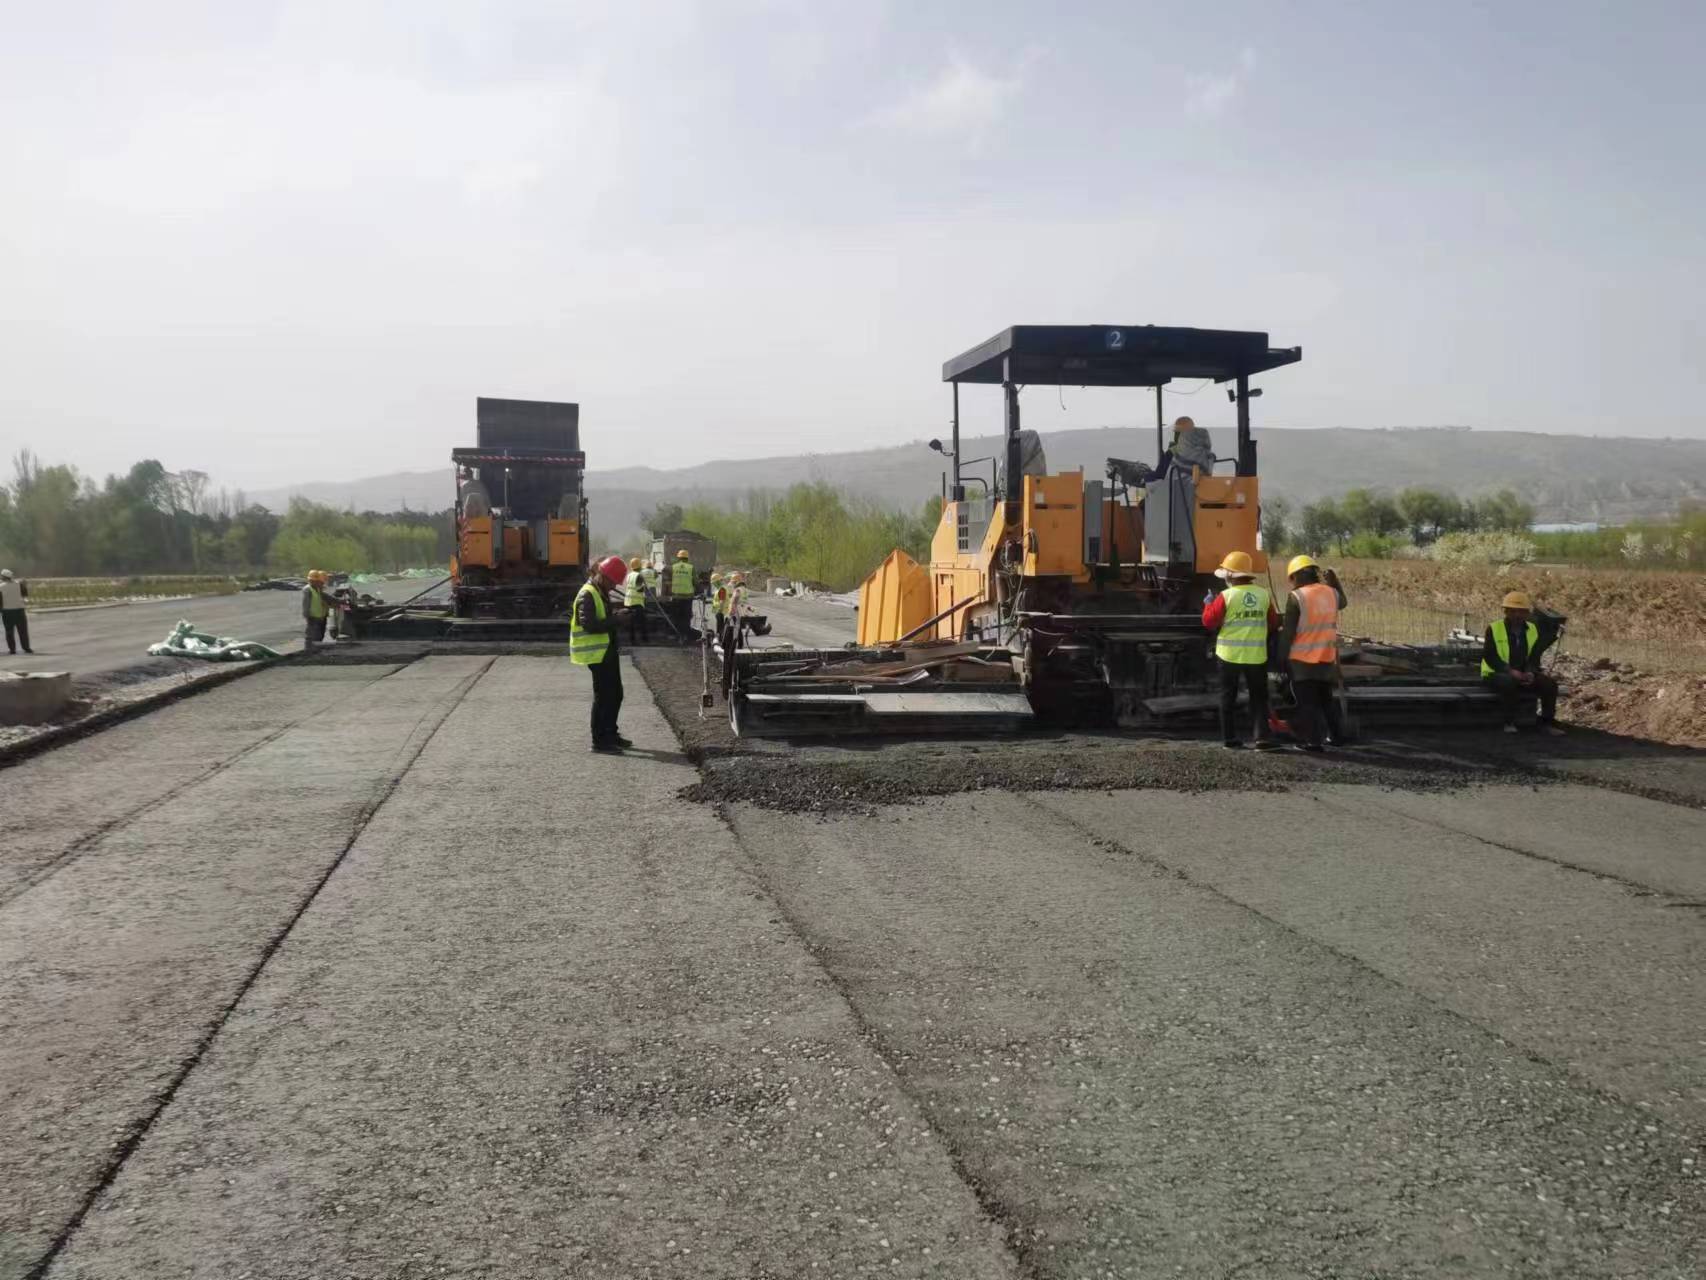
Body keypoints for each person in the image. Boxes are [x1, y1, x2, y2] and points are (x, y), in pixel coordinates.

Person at [1201, 551, 1278, 749]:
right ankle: (1262, 738)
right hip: (1256, 656)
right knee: (1259, 698)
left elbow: (1209, 622)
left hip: (1228, 656)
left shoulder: (1226, 596)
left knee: (1228, 697)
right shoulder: (1263, 595)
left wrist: (1208, 604)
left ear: (1230, 575)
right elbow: (1273, 623)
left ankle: (1230, 739)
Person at [1280, 554, 1348, 751]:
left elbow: (1289, 632)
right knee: (1326, 700)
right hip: (1326, 657)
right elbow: (1343, 602)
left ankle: (1312, 742)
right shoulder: (1331, 593)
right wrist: (1335, 582)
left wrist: (1281, 657)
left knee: (1307, 703)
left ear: (1295, 576)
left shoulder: (1297, 597)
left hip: (1302, 660)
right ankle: (1336, 737)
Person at [572, 554, 633, 753]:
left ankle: (610, 733)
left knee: (615, 694)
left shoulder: (600, 591)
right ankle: (600, 741)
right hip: (596, 654)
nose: (614, 586)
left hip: (606, 651)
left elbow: (602, 617)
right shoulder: (587, 593)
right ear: (603, 576)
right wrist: (617, 620)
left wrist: (617, 616)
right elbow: (589, 624)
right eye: (612, 582)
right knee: (604, 697)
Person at [1482, 590, 1563, 735]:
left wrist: (1531, 672)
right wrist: (1510, 671)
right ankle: (1509, 722)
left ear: (1527, 613)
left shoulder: (1532, 630)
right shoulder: (1494, 628)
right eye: (1513, 611)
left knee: (1550, 685)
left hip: (1522, 672)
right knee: (1509, 682)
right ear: (1506, 611)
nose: (1517, 615)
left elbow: (1534, 656)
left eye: (1521, 611)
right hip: (1495, 673)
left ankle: (1546, 723)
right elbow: (1490, 656)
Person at [1, 569, 32, 655]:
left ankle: (12, 650)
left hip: (7, 612)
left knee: (9, 631)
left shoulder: (1, 587)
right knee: (23, 631)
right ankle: (26, 648)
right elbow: (25, 595)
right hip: (20, 611)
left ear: (3, 577)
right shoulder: (19, 584)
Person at [301, 570, 335, 649]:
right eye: (316, 581)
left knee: (319, 635)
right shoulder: (308, 590)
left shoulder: (317, 589)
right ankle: (309, 649)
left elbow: (325, 599)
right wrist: (307, 615)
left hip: (319, 616)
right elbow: (306, 603)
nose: (321, 584)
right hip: (313, 616)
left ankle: (316, 649)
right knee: (311, 635)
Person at [668, 549, 697, 639]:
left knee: (676, 616)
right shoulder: (691, 567)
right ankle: (686, 635)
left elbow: (669, 581)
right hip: (687, 597)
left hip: (676, 596)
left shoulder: (673, 567)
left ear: (678, 558)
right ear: (687, 558)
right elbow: (695, 581)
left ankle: (677, 635)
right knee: (686, 617)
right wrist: (697, 590)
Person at [623, 556, 650, 644]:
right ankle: (644, 639)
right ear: (639, 566)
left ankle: (632, 640)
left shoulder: (629, 575)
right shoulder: (639, 576)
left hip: (628, 602)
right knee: (642, 622)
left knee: (631, 623)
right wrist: (644, 587)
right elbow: (639, 589)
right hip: (637, 602)